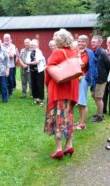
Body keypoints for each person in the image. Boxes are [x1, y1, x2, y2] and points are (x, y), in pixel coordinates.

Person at [45, 29, 79, 159]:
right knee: (69, 117)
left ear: (59, 40)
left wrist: (47, 84)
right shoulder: (73, 53)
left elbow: (49, 71)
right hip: (71, 91)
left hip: (59, 91)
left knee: (59, 118)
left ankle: (59, 149)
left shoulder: (57, 52)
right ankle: (69, 145)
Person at [75, 35, 97, 130]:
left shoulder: (88, 53)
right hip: (76, 78)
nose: (80, 43)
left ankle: (83, 124)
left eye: (83, 41)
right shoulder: (77, 51)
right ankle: (80, 120)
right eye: (79, 41)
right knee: (79, 101)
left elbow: (82, 64)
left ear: (86, 43)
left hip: (83, 78)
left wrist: (78, 56)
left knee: (82, 101)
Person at [90, 35, 110, 122]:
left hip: (101, 79)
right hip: (95, 79)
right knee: (94, 95)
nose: (92, 43)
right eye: (91, 42)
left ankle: (100, 116)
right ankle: (99, 113)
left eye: (94, 42)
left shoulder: (103, 53)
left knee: (98, 97)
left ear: (99, 43)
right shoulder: (95, 52)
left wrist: (107, 77)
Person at [27, 39, 46, 106]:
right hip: (32, 71)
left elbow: (37, 61)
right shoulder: (29, 52)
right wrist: (32, 62)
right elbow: (27, 62)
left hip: (39, 71)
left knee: (39, 85)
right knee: (33, 85)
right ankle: (36, 99)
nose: (32, 46)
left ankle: (42, 100)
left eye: (33, 45)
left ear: (36, 45)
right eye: (31, 45)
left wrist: (31, 62)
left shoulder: (39, 52)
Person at [2, 34, 18, 98]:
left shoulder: (13, 46)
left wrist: (5, 53)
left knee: (10, 80)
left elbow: (12, 56)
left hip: (11, 66)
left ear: (10, 38)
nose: (6, 39)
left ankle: (10, 93)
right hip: (2, 66)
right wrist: (8, 52)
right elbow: (1, 56)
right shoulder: (0, 45)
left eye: (8, 38)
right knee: (2, 79)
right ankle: (2, 92)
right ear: (3, 38)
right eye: (5, 38)